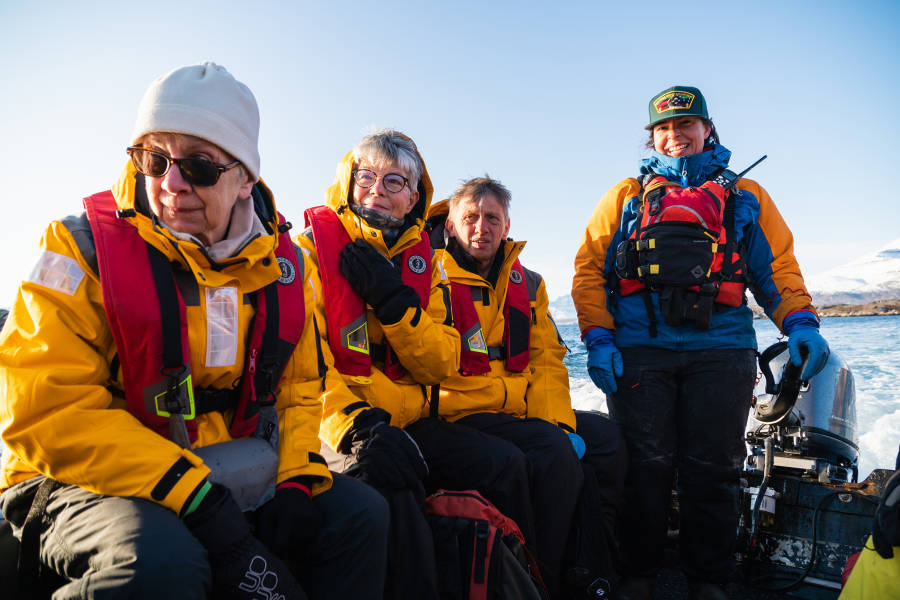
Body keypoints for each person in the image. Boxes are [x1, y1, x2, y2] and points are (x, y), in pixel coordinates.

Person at [0, 62, 388, 600]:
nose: (171, 183)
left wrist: (297, 479)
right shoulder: (79, 249)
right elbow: (43, 409)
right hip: (76, 476)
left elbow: (299, 393)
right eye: (153, 159)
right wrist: (194, 495)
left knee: (361, 515)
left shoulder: (282, 268)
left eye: (199, 167)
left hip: (218, 467)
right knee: (160, 564)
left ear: (245, 179)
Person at [572, 86, 830, 600]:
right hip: (640, 351)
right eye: (664, 128)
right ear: (652, 137)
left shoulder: (746, 195)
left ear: (707, 129)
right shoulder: (624, 196)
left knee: (714, 467)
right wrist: (598, 338)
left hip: (722, 349)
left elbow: (775, 267)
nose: (675, 135)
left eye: (686, 124)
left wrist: (800, 323)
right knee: (644, 465)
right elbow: (589, 270)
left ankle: (708, 579)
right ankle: (639, 573)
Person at [421, 176, 626, 600]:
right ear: (452, 226)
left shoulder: (528, 283)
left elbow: (547, 360)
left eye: (492, 218)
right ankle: (538, 582)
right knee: (547, 455)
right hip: (454, 411)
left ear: (507, 226)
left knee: (607, 441)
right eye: (470, 218)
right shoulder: (427, 274)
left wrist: (558, 423)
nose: (482, 228)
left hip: (512, 411)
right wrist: (553, 437)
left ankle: (594, 568)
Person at [299, 129, 460, 599]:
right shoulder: (308, 252)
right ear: (349, 182)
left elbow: (441, 364)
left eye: (394, 181)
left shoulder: (428, 265)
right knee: (393, 490)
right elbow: (303, 364)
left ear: (413, 198)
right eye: (366, 176)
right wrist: (357, 427)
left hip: (411, 418)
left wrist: (394, 302)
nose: (376, 190)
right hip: (337, 423)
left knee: (505, 463)